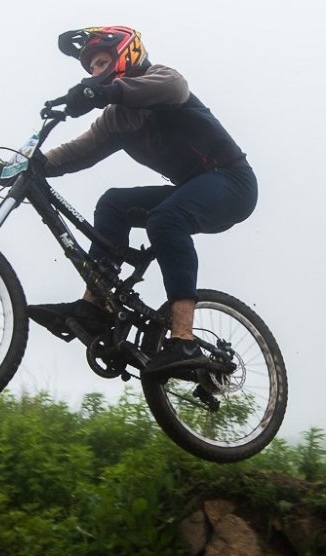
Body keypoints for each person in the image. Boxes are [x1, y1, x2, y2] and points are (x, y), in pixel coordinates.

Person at [27, 26, 257, 377]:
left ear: (126, 56)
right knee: (112, 204)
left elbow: (174, 87)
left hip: (233, 182)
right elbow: (79, 151)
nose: (96, 73)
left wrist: (101, 92)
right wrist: (33, 164)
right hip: (192, 188)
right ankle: (96, 306)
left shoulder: (160, 79)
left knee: (165, 220)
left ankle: (184, 339)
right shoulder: (116, 121)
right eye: (90, 70)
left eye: (101, 62)